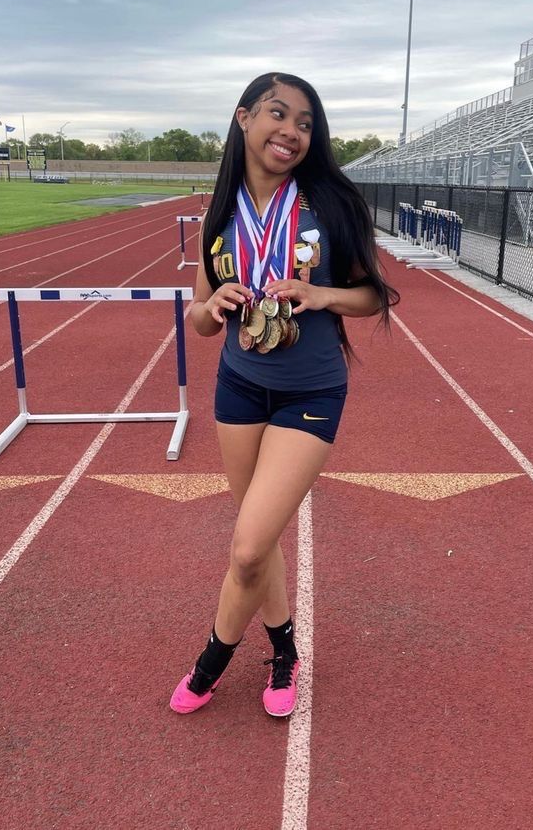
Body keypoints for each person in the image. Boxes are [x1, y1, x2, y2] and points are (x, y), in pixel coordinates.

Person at [169, 72, 399, 718]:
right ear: (243, 118)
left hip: (312, 392)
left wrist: (322, 295)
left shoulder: (330, 203)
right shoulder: (220, 211)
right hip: (239, 387)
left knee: (245, 548)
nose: (292, 131)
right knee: (258, 538)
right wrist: (212, 305)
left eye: (304, 123)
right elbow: (199, 314)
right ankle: (287, 648)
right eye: (278, 114)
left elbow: (376, 295)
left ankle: (211, 660)